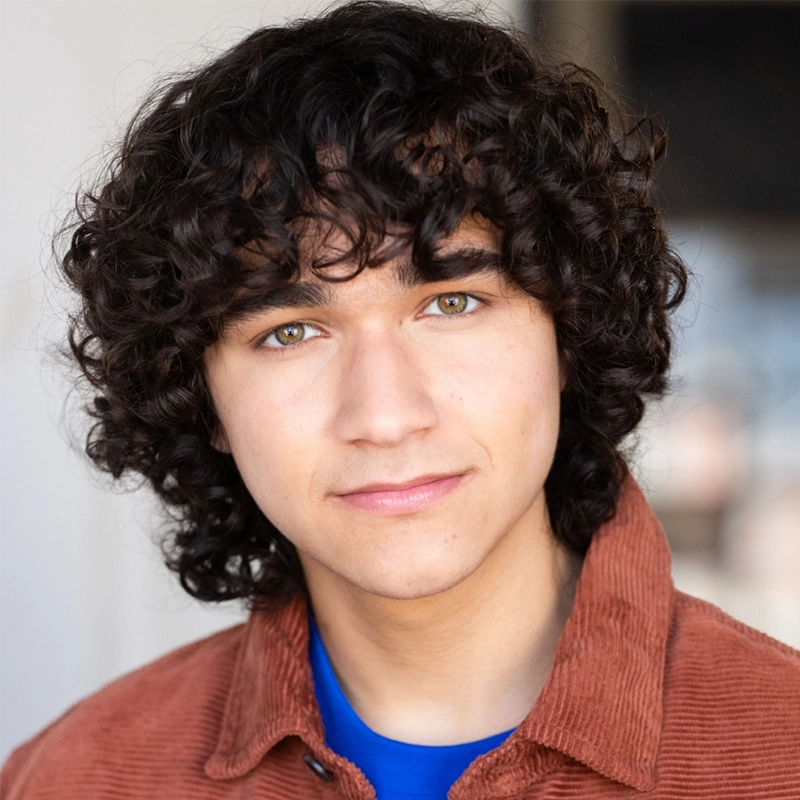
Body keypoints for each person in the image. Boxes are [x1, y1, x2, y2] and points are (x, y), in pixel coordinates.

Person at [2, 2, 799, 798]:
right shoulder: (73, 777)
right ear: (203, 399)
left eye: (451, 304)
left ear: (568, 333)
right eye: (290, 333)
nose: (384, 416)